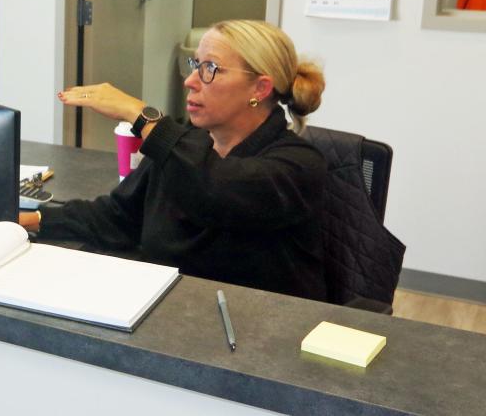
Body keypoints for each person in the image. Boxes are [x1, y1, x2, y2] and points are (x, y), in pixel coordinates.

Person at [22, 20, 328, 301]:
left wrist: (141, 116)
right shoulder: (184, 150)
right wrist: (29, 221)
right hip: (171, 312)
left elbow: (215, 189)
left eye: (211, 68)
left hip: (254, 335)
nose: (191, 81)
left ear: (259, 88)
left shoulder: (299, 165)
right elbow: (119, 218)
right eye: (197, 64)